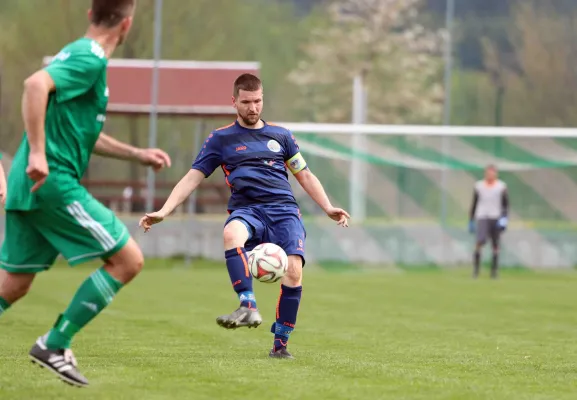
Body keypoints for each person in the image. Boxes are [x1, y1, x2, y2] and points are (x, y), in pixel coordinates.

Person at [0, 0, 171, 387]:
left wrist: (137, 154)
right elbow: (34, 84)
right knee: (128, 260)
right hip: (53, 183)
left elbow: (82, 133)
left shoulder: (80, 55)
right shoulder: (90, 57)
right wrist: (40, 152)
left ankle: (54, 345)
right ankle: (55, 344)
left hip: (30, 186)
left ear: (89, 14)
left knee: (13, 284)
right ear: (126, 25)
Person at [139, 73, 350, 359]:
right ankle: (247, 305)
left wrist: (328, 207)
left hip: (284, 211)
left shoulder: (282, 136)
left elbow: (305, 175)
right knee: (231, 234)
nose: (253, 107)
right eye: (247, 102)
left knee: (294, 270)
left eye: (258, 101)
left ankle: (280, 343)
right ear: (234, 102)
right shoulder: (221, 139)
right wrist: (164, 211)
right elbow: (192, 178)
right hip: (247, 210)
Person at [468, 164, 509, 279]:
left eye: (493, 172)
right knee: (480, 242)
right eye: (488, 172)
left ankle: (494, 272)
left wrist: (504, 218)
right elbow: (474, 203)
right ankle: (476, 271)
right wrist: (471, 219)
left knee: (495, 245)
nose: (490, 175)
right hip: (482, 216)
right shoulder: (479, 186)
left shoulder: (501, 187)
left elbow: (505, 204)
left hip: (495, 216)